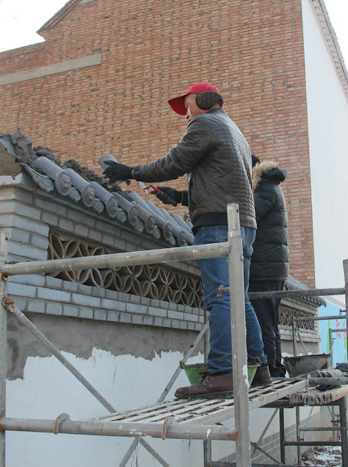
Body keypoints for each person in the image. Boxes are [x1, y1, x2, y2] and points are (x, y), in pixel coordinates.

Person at [102, 82, 269, 398]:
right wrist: (180, 196)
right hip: (243, 224)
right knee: (238, 297)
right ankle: (258, 367)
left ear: (205, 100)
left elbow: (174, 162)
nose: (186, 114)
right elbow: (219, 180)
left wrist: (132, 170)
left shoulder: (205, 123)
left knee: (219, 296)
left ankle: (222, 372)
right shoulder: (234, 131)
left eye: (187, 105)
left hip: (219, 225)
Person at [248, 156, 289, 377]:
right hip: (272, 266)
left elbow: (248, 215)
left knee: (264, 321)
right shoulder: (271, 188)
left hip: (264, 266)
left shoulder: (264, 190)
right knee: (270, 321)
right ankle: (275, 367)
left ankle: (271, 369)